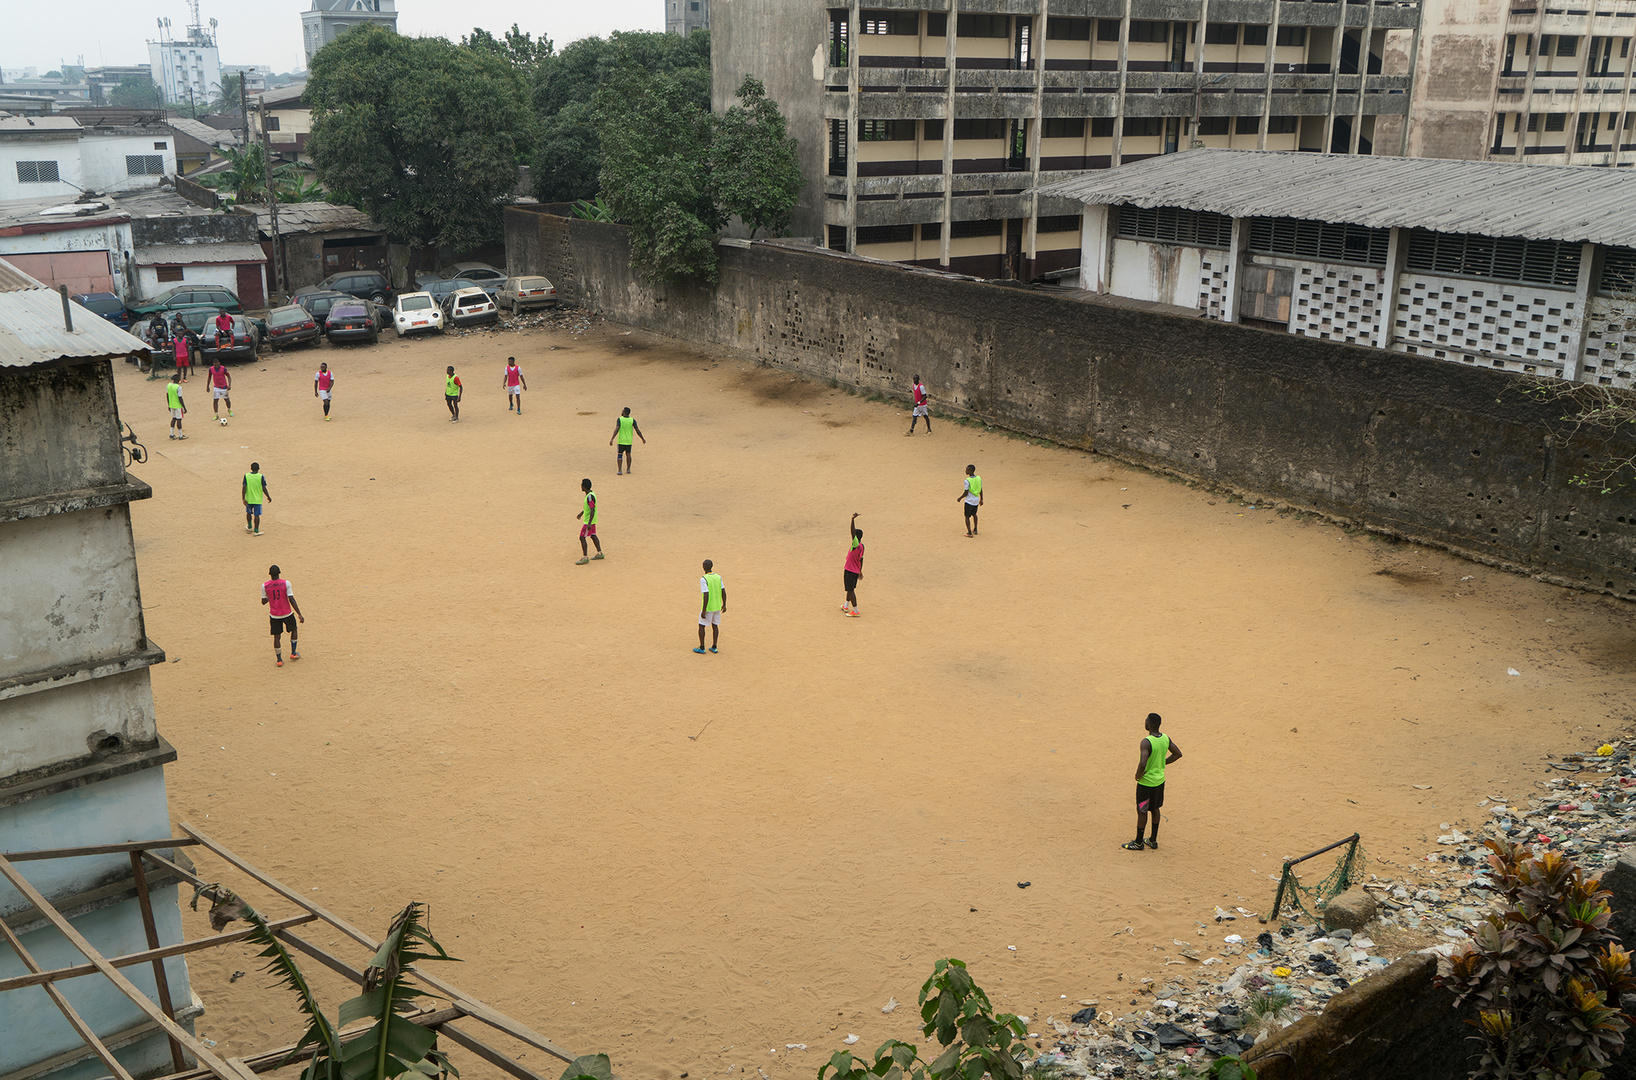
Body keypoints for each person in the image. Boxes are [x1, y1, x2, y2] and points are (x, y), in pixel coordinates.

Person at [1124, 713, 1183, 851]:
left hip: (1146, 784)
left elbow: (1143, 762)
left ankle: (1138, 843)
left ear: (1149, 724)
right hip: (1159, 782)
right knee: (1155, 809)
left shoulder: (1146, 741)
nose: (1145, 722)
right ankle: (1152, 840)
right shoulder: (1165, 738)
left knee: (1142, 811)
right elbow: (1178, 754)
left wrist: (1138, 775)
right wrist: (1163, 762)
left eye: (1146, 720)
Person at [261, 564, 304, 667]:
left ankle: (279, 660)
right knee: (294, 630)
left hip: (274, 615)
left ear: (270, 574)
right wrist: (299, 614)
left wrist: (269, 597)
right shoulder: (286, 583)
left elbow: (263, 601)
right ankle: (293, 653)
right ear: (279, 573)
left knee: (277, 637)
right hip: (287, 613)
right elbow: (291, 599)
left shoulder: (265, 586)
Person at [694, 559, 726, 654]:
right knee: (715, 625)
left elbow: (706, 594)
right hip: (717, 606)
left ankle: (702, 647)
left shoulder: (704, 579)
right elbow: (723, 591)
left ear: (703, 567)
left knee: (701, 625)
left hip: (709, 607)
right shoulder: (718, 577)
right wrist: (724, 604)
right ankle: (714, 646)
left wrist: (704, 609)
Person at [575, 478, 604, 563]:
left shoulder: (589, 497)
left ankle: (585, 557)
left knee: (582, 537)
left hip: (589, 522)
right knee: (593, 535)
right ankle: (600, 553)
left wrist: (589, 523)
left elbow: (592, 509)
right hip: (593, 521)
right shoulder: (591, 494)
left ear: (584, 487)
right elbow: (589, 508)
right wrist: (581, 513)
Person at [609, 407, 646, 475]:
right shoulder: (632, 420)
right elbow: (637, 430)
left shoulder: (620, 419)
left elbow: (617, 429)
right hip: (629, 441)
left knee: (620, 455)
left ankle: (619, 470)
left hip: (621, 441)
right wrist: (642, 438)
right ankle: (628, 469)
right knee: (628, 454)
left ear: (624, 412)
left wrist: (612, 438)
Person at [842, 512, 863, 617]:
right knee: (850, 588)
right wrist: (860, 571)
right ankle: (846, 605)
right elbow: (861, 560)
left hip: (850, 571)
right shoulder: (862, 546)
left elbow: (852, 532)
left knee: (850, 590)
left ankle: (855, 610)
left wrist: (852, 520)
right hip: (855, 571)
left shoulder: (855, 544)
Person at [242, 462, 270, 535]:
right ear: (258, 469)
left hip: (248, 499)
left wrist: (243, 498)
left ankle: (249, 526)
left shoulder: (246, 476)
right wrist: (268, 496)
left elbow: (244, 487)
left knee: (248, 513)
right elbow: (264, 488)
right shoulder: (261, 476)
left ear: (251, 468)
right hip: (257, 499)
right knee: (256, 515)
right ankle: (256, 531)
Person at [957, 464, 983, 536]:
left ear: (971, 471)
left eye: (967, 469)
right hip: (976, 501)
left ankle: (969, 532)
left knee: (967, 516)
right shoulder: (979, 478)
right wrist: (981, 499)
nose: (965, 470)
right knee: (974, 514)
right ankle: (975, 529)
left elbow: (966, 492)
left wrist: (960, 498)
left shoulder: (967, 481)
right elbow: (980, 489)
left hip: (969, 501)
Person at [207, 359, 232, 423]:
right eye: (215, 365)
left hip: (224, 387)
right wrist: (207, 386)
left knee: (227, 400)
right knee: (215, 400)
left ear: (219, 363)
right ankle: (216, 414)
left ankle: (229, 409)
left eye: (217, 364)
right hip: (216, 387)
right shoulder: (211, 369)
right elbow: (209, 377)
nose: (216, 366)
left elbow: (229, 376)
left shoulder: (223, 368)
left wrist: (229, 385)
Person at [165, 372, 187, 439]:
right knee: (179, 420)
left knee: (173, 419)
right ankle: (180, 435)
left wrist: (169, 405)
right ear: (178, 380)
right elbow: (180, 398)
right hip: (178, 406)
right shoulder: (179, 387)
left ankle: (171, 434)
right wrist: (184, 407)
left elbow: (167, 396)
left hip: (171, 405)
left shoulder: (168, 385)